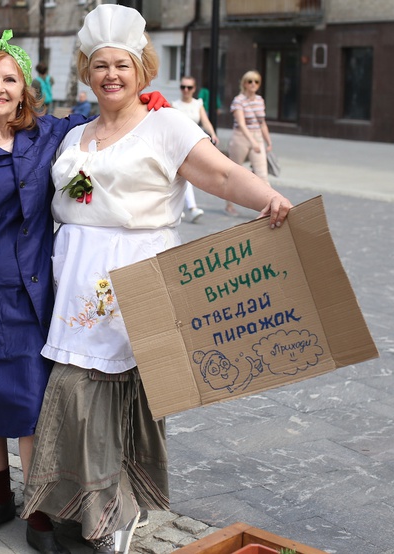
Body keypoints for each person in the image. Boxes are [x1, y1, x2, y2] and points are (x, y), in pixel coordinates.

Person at [19, 6, 292, 554]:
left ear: (142, 70)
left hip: (134, 278)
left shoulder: (166, 124)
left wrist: (269, 199)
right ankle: (76, 507)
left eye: (122, 65)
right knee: (73, 397)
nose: (111, 75)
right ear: (87, 72)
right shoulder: (76, 132)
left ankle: (119, 512)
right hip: (75, 283)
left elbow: (219, 172)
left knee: (123, 398)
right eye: (100, 66)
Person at [0, 29, 167, 554]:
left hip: (35, 293)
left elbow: (107, 118)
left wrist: (147, 103)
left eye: (9, 79)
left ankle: (37, 510)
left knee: (29, 404)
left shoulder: (51, 135)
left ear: (25, 89)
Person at [172, 75, 219, 223]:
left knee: (183, 177)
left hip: (193, 145)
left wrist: (212, 134)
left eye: (189, 87)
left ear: (194, 89)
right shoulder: (175, 105)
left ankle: (180, 209)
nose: (186, 90)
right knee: (185, 176)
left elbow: (205, 121)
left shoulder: (197, 104)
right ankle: (191, 208)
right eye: (183, 87)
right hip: (177, 144)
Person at [227, 69, 273, 216]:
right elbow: (241, 123)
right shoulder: (238, 100)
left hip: (257, 137)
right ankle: (229, 205)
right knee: (234, 173)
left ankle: (268, 208)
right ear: (244, 84)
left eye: (256, 81)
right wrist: (251, 141)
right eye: (250, 81)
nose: (253, 84)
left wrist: (268, 141)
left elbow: (262, 123)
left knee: (262, 175)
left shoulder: (260, 100)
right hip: (241, 137)